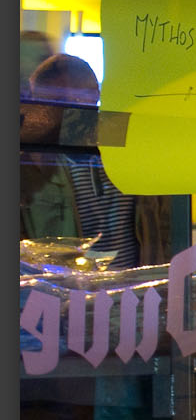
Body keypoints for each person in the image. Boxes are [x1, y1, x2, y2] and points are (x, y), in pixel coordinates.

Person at [19, 54, 140, 268]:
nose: (52, 117)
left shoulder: (130, 148)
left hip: (127, 291)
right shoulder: (37, 163)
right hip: (82, 293)